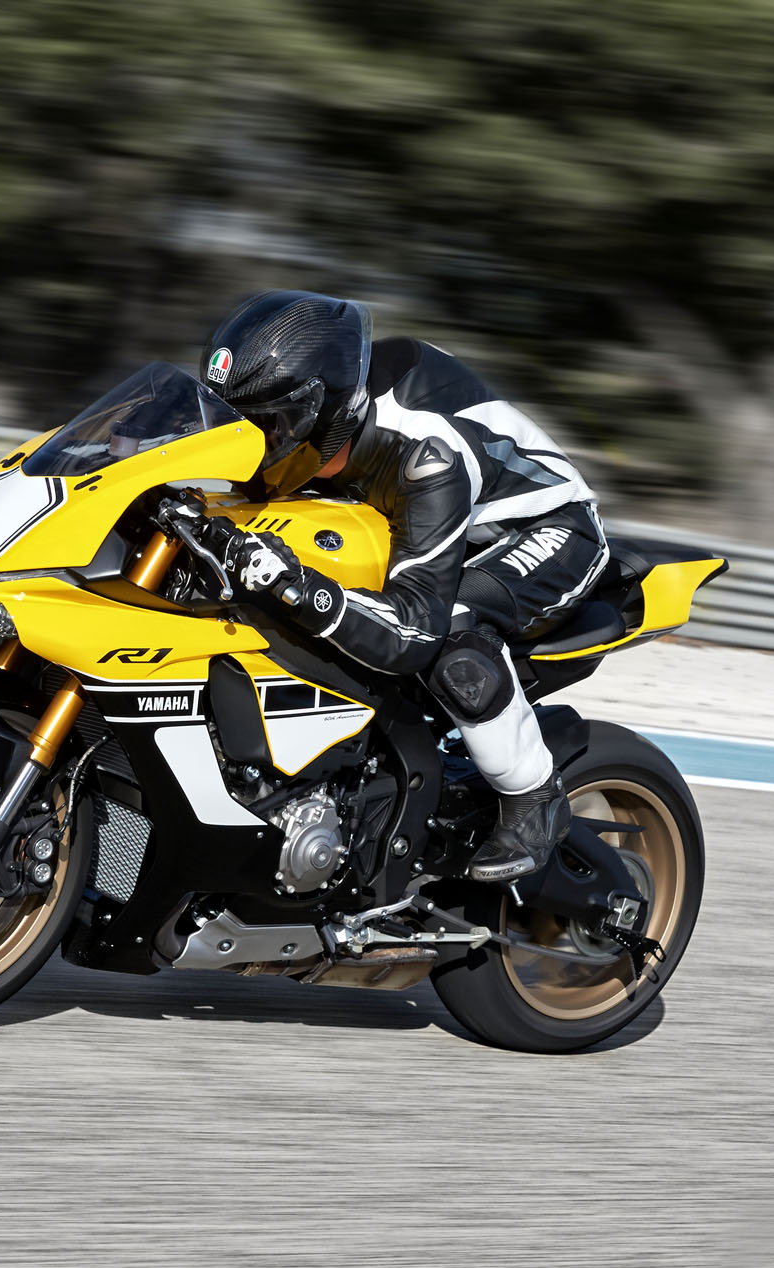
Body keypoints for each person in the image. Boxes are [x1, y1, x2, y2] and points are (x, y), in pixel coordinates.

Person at [200, 290, 608, 882]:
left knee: (453, 632)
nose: (251, 438)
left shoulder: (426, 454)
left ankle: (533, 797)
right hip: (423, 521)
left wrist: (297, 589)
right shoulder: (320, 427)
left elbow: (414, 629)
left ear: (324, 411)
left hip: (545, 530)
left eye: (268, 423)